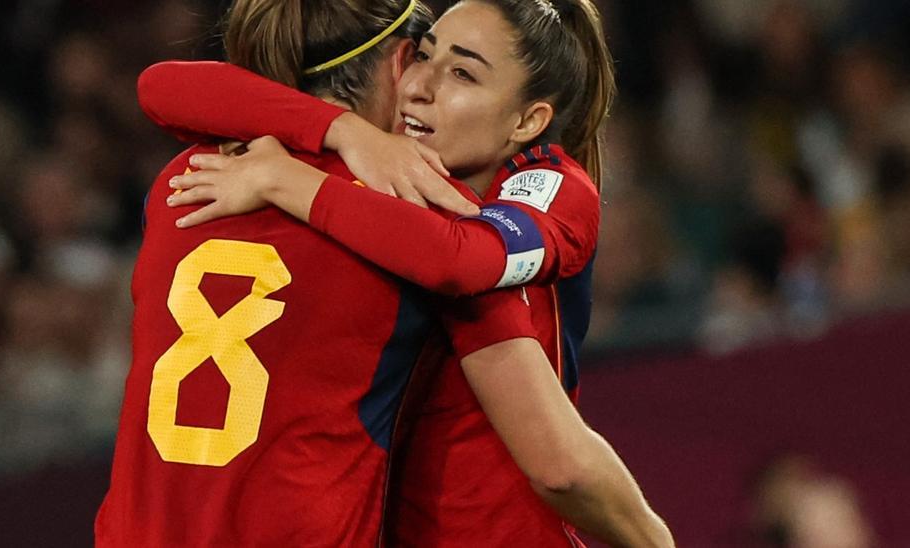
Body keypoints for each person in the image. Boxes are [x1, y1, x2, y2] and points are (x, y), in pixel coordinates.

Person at [143, 0, 673, 546]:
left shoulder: (189, 178)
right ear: (399, 62)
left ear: (528, 121)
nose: (422, 85)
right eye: (423, 55)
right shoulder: (403, 211)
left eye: (463, 72)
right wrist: (351, 134)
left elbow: (464, 258)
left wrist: (290, 178)